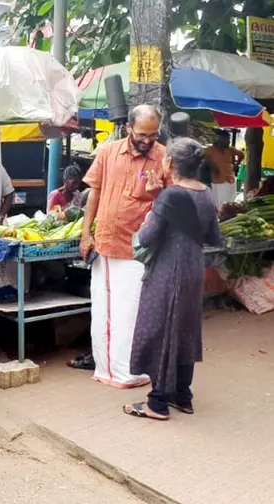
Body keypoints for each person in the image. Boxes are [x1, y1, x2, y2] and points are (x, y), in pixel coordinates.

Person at [123, 138, 223, 420]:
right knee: (185, 330)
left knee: (159, 331)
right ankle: (183, 395)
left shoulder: (170, 195)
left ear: (169, 163)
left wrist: (151, 212)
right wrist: (160, 198)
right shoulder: (206, 193)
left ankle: (157, 403)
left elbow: (147, 236)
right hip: (193, 270)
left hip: (168, 271)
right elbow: (213, 236)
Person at [79, 104, 172, 388]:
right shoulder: (108, 152)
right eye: (142, 134)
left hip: (141, 247)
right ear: (129, 128)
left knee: (130, 310)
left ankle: (127, 371)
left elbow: (172, 200)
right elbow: (94, 193)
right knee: (104, 309)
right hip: (106, 242)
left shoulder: (164, 156)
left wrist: (160, 191)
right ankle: (106, 369)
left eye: (153, 135)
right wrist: (86, 233)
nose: (147, 140)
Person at [205, 131, 244, 209]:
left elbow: (241, 154)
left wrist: (236, 164)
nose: (229, 141)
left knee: (231, 201)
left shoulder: (230, 150)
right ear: (219, 139)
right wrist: (213, 166)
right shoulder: (209, 150)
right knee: (220, 203)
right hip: (218, 179)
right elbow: (204, 159)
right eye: (227, 139)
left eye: (229, 139)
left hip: (230, 178)